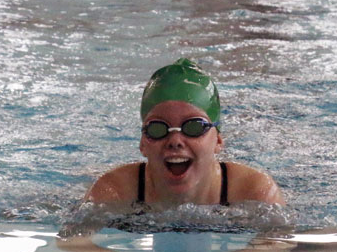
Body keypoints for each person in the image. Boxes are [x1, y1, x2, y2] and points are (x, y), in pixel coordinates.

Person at [83, 57, 285, 211]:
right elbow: (73, 244)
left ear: (218, 141)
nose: (175, 141)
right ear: (143, 143)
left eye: (194, 127)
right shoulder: (116, 190)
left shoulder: (253, 192)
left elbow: (277, 249)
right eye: (158, 128)